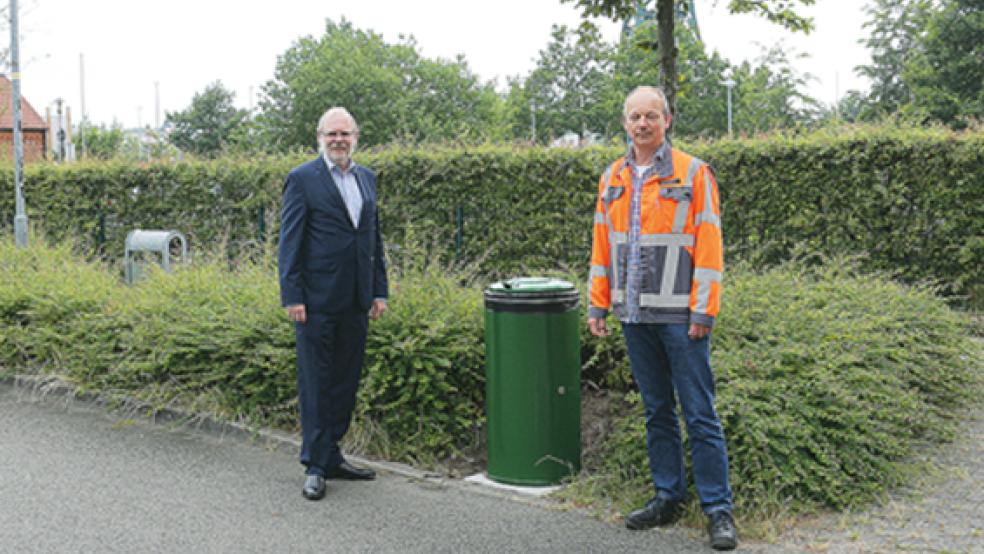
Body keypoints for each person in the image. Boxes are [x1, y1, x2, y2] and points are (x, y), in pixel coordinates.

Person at [587, 86, 738, 550]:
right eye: (635, 116)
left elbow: (709, 243)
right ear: (625, 123)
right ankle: (667, 496)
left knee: (700, 413)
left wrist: (704, 309)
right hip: (634, 313)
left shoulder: (693, 172)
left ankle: (718, 510)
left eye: (651, 115)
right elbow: (601, 243)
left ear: (666, 121)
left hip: (681, 316)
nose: (642, 124)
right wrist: (598, 302)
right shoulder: (612, 176)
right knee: (656, 412)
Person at [278, 106, 388, 501]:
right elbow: (289, 242)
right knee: (316, 383)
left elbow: (372, 240)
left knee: (345, 380)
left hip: (356, 300)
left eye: (345, 134)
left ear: (356, 137)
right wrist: (292, 295)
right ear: (319, 138)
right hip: (316, 302)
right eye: (331, 134)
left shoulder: (367, 178)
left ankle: (333, 454)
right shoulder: (302, 179)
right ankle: (315, 464)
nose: (338, 140)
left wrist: (379, 290)